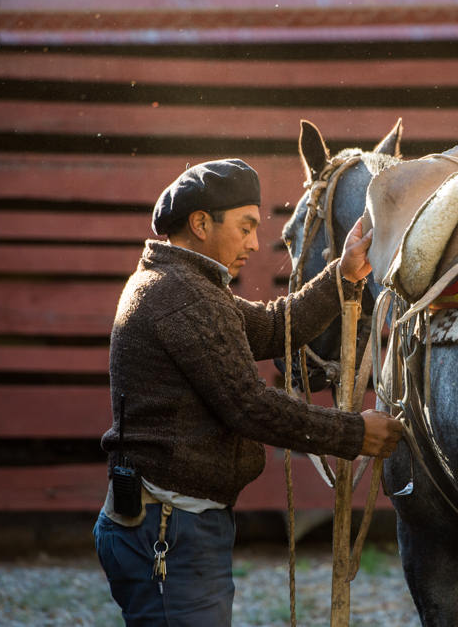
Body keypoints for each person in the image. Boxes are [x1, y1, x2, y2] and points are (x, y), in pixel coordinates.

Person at [93, 158, 403, 626]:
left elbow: (275, 325)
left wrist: (344, 275)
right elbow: (249, 407)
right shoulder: (181, 296)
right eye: (245, 227)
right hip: (171, 528)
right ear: (200, 223)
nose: (256, 244)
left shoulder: (184, 285)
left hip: (175, 522)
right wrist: (355, 434)